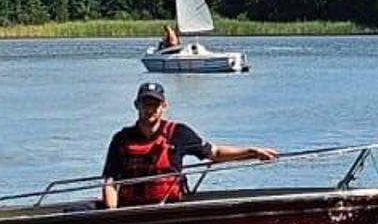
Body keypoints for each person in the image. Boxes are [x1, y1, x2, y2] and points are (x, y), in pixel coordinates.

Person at [101, 82, 278, 208]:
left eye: (155, 105)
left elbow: (214, 153)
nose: (150, 109)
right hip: (132, 211)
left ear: (164, 106)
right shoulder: (121, 139)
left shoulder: (179, 133)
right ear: (136, 105)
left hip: (170, 209)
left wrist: (252, 152)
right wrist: (111, 214)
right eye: (145, 104)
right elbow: (110, 181)